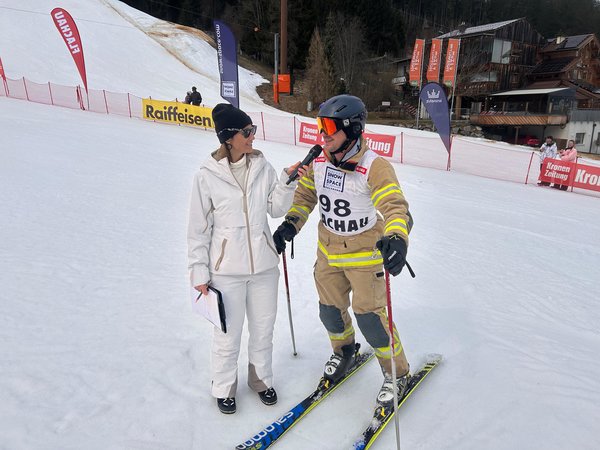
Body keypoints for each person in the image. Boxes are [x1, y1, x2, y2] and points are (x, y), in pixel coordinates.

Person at [272, 94, 413, 409]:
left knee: (370, 320)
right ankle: (344, 351)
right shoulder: (319, 161)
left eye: (329, 127)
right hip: (328, 253)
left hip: (365, 257)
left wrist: (397, 238)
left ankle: (397, 372)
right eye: (320, 126)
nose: (322, 134)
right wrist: (291, 224)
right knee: (330, 312)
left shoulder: (374, 166)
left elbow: (394, 206)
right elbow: (306, 196)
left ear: (352, 129)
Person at [187, 103, 307, 414]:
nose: (253, 136)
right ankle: (224, 386)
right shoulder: (206, 176)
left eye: (252, 130)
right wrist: (199, 271)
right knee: (227, 333)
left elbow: (276, 209)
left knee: (263, 329)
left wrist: (287, 182)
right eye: (247, 131)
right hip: (226, 271)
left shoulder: (262, 167)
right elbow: (198, 229)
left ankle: (261, 380)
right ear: (229, 138)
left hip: (264, 267)